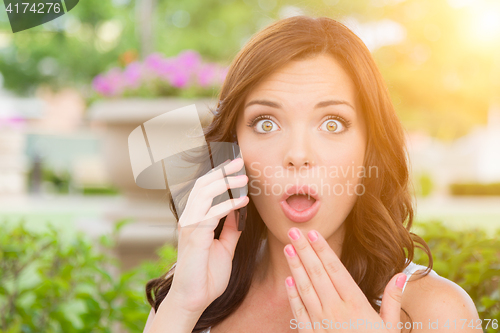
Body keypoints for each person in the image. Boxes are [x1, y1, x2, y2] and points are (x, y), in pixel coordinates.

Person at [142, 15, 480, 333]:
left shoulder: (436, 312)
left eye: (332, 124)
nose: (298, 155)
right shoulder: (192, 292)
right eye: (266, 123)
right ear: (234, 149)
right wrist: (182, 306)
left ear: (369, 148)